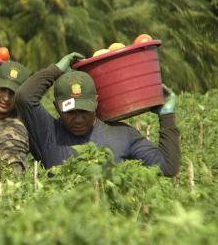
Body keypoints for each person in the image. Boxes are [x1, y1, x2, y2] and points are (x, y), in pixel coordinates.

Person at [14, 53, 181, 177]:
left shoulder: (122, 135)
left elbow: (167, 167)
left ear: (95, 103)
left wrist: (166, 116)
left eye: (85, 111)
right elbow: (24, 96)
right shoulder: (49, 133)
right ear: (57, 108)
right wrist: (55, 70)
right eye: (70, 113)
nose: (79, 119)